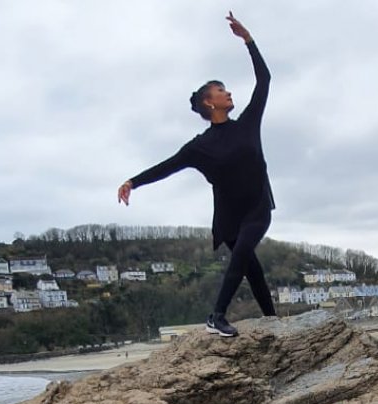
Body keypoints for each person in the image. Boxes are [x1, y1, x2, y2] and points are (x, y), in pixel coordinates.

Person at [117, 11, 276, 338]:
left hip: (259, 205)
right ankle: (272, 319)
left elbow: (265, 81)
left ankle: (217, 314)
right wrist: (133, 181)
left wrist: (249, 41)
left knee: (246, 252)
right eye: (221, 90)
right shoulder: (200, 147)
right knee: (251, 267)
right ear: (209, 102)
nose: (229, 93)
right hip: (230, 218)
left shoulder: (247, 123)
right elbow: (167, 166)